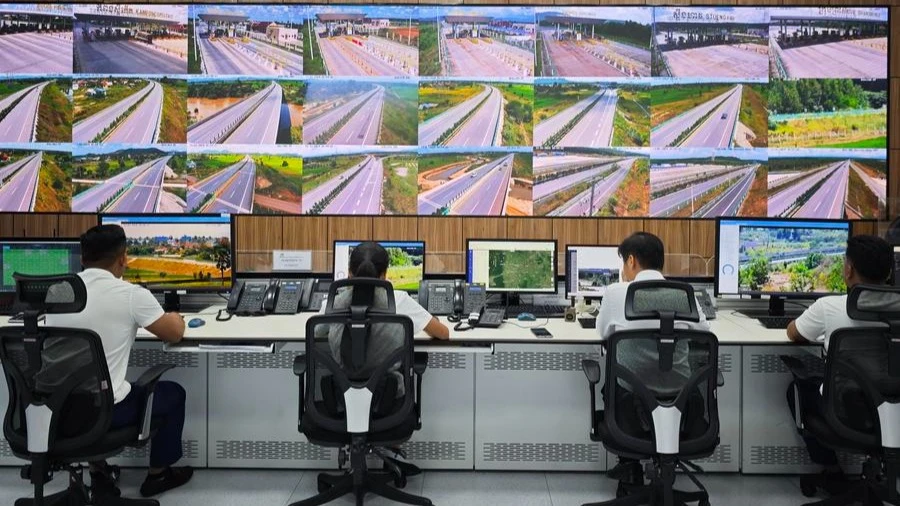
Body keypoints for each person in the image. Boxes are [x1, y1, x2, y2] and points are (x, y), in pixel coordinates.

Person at [46, 224, 193, 498]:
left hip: (53, 410)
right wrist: (177, 317)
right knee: (173, 393)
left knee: (87, 385)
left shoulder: (58, 292)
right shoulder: (130, 295)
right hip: (103, 413)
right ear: (123, 258)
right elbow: (174, 333)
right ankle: (158, 475)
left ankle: (99, 472)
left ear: (82, 258)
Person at [595, 232, 710, 486]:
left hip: (630, 409)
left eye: (624, 262)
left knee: (616, 380)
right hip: (683, 404)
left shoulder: (616, 293)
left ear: (632, 261)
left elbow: (602, 332)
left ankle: (630, 469)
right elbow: (705, 334)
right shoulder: (683, 294)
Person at [786, 235, 894, 484]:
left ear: (848, 270)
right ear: (889, 273)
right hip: (894, 409)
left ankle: (831, 469)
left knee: (798, 387)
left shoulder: (829, 307)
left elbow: (794, 333)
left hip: (847, 411)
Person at [320, 242, 449, 394]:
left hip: (340, 399)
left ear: (349, 273)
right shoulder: (399, 300)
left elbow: (315, 331)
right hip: (388, 400)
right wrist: (427, 320)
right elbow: (443, 333)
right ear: (384, 275)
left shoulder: (334, 303)